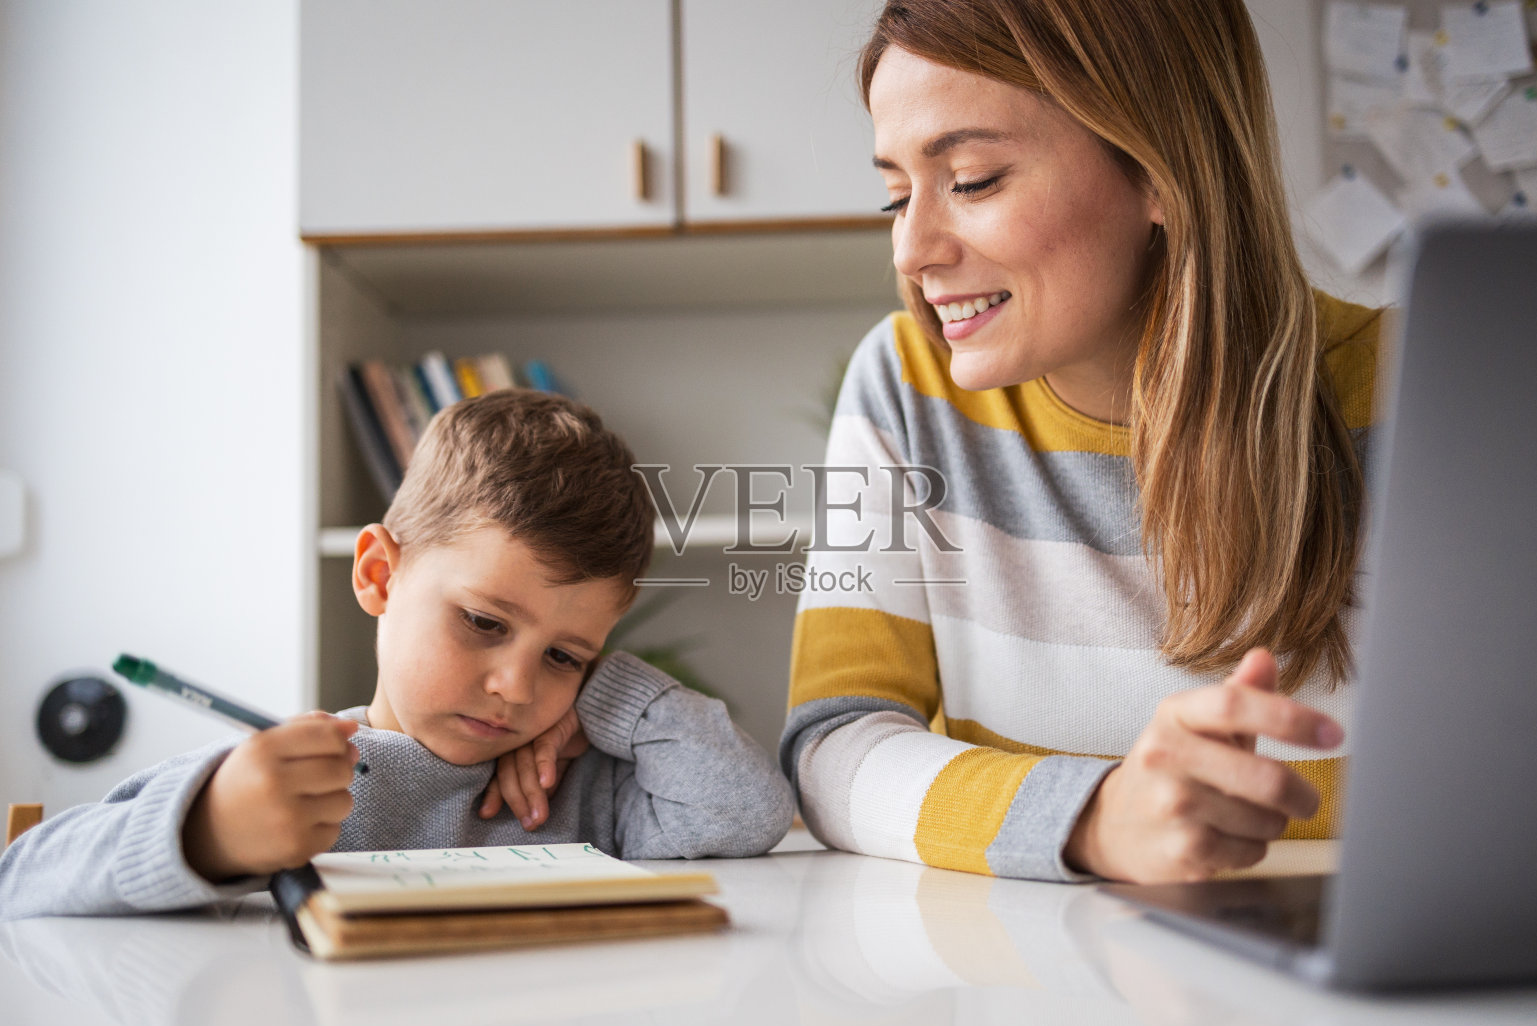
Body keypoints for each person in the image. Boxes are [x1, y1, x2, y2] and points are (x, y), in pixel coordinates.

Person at [780, 0, 1381, 885]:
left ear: (1162, 171)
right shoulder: (908, 383)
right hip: (1034, 989)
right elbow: (835, 746)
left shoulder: (1415, 383)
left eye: (973, 179)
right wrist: (1093, 817)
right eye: (896, 194)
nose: (912, 249)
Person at [0, 390, 793, 919]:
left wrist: (600, 696)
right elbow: (22, 881)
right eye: (484, 621)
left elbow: (746, 809)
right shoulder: (284, 783)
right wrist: (209, 831)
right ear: (380, 573)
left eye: (564, 655)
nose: (514, 687)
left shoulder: (583, 793)